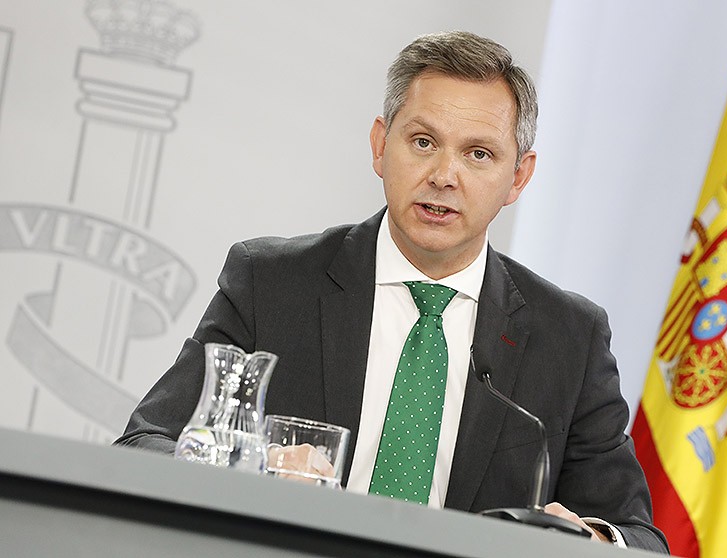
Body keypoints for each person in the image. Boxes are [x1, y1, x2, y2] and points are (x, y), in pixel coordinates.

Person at [115, 31, 668, 552]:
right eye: (423, 142)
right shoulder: (271, 283)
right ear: (381, 146)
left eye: (479, 154)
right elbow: (144, 447)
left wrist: (584, 541)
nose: (444, 175)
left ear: (518, 178)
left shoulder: (569, 336)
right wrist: (249, 476)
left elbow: (640, 537)